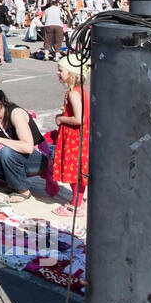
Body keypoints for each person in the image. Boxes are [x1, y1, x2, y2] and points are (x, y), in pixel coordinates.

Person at [0, 85, 48, 202]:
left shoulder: (15, 113)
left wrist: (0, 140)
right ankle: (14, 182)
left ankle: (23, 191)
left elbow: (28, 147)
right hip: (15, 159)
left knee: (6, 151)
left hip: (38, 157)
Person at [50, 55, 90, 216]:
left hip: (74, 136)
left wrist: (60, 118)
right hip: (80, 136)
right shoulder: (81, 91)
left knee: (75, 170)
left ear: (72, 73)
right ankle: (78, 199)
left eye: (60, 70)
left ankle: (76, 205)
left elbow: (79, 119)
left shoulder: (74, 93)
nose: (58, 73)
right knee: (79, 169)